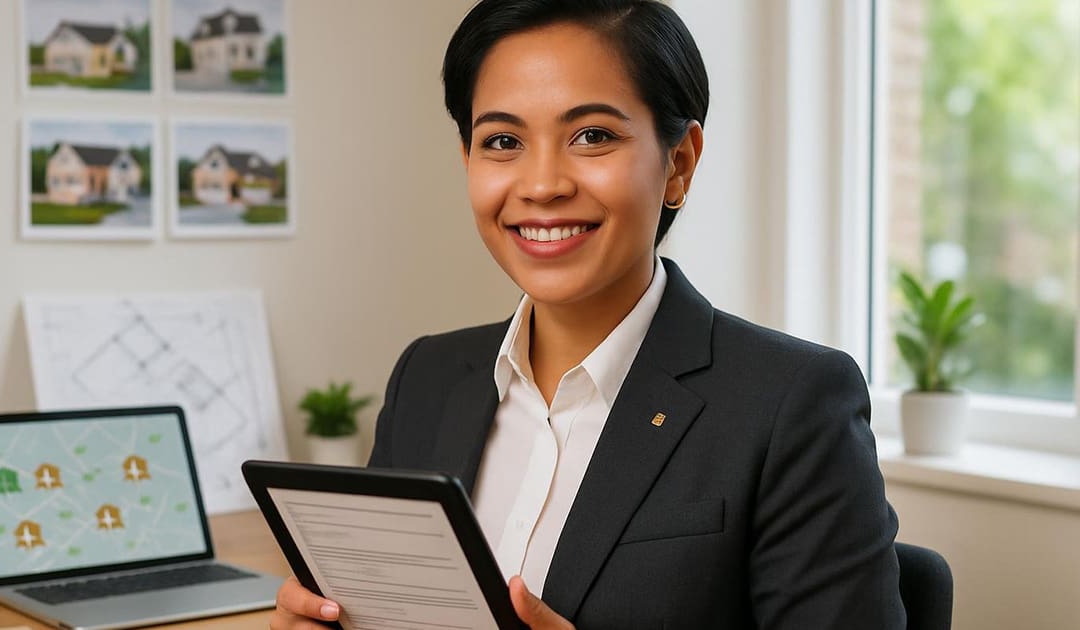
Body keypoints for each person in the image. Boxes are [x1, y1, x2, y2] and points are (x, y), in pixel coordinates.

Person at [272, 0, 905, 628]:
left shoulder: (792, 403)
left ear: (679, 163)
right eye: (502, 141)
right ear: (468, 161)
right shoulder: (427, 377)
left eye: (593, 135)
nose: (542, 184)